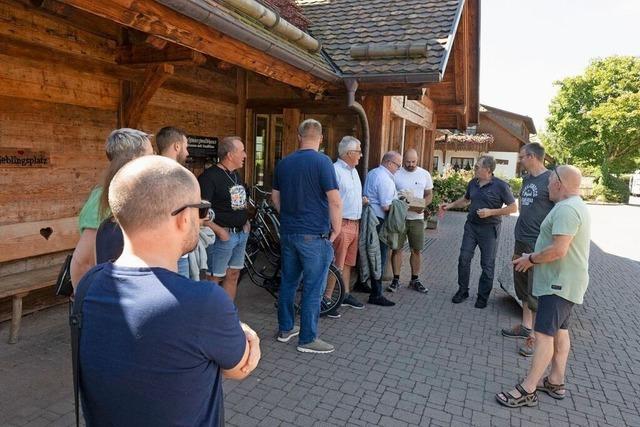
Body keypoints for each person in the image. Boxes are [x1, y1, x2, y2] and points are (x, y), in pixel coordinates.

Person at [76, 156, 260, 426]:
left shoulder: (90, 284)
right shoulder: (204, 303)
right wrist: (247, 333)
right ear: (183, 217)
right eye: (201, 209)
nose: (203, 218)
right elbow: (240, 367)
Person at [496, 165, 590, 408]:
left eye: (549, 181)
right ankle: (556, 380)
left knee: (543, 336)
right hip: (564, 283)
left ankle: (528, 389)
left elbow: (559, 249)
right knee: (560, 331)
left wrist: (530, 259)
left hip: (557, 284)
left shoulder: (567, 209)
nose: (546, 185)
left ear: (559, 183)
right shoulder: (575, 205)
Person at [271, 119, 342, 354]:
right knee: (313, 288)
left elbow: (275, 199)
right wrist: (337, 228)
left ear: (299, 136)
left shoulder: (284, 163)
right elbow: (334, 200)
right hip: (314, 235)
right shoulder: (323, 162)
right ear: (320, 138)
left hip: (289, 232)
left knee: (288, 282)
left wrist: (290, 216)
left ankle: (285, 329)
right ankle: (308, 339)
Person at [70, 128, 153, 288]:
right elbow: (83, 262)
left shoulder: (135, 193)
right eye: (149, 154)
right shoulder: (105, 197)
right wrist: (86, 307)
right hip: (108, 295)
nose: (154, 158)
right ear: (134, 158)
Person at [440, 155, 517, 308]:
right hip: (471, 227)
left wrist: (490, 212)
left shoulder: (501, 186)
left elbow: (513, 208)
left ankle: (482, 296)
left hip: (489, 229)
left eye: (477, 167)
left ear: (487, 170)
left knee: (487, 264)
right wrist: (450, 205)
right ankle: (463, 291)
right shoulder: (473, 183)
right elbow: (466, 199)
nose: (474, 169)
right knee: (463, 259)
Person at [501, 143, 554, 357]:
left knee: (536, 291)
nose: (520, 160)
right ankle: (525, 326)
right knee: (522, 286)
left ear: (532, 157)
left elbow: (558, 209)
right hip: (520, 239)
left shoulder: (550, 180)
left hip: (537, 243)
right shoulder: (527, 179)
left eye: (522, 157)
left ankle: (535, 338)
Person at [198, 136, 250, 300]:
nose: (245, 155)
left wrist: (246, 222)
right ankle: (210, 321)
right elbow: (201, 213)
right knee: (214, 278)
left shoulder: (235, 175)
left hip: (241, 234)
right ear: (229, 154)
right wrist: (220, 231)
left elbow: (239, 203)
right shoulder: (209, 177)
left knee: (233, 275)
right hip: (222, 237)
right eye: (241, 151)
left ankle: (228, 316)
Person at [323, 136, 366, 318]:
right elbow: (330, 200)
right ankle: (327, 300)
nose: (361, 155)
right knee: (337, 264)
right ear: (349, 153)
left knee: (348, 263)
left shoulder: (353, 171)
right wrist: (335, 226)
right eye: (358, 152)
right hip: (342, 224)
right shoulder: (335, 171)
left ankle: (343, 295)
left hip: (355, 223)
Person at [388, 148, 433, 293]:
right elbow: (389, 193)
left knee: (417, 250)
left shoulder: (424, 174)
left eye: (413, 162)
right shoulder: (396, 174)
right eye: (407, 162)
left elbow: (429, 195)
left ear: (417, 160)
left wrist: (423, 205)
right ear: (403, 160)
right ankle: (395, 280)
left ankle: (415, 279)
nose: (411, 164)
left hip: (417, 219)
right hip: (399, 218)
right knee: (396, 249)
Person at [362, 151, 402, 306]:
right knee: (379, 256)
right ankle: (376, 294)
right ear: (389, 163)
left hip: (370, 217)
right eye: (397, 165)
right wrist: (401, 204)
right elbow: (386, 206)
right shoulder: (384, 178)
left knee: (369, 253)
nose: (398, 169)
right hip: (378, 221)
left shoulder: (373, 172)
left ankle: (367, 284)